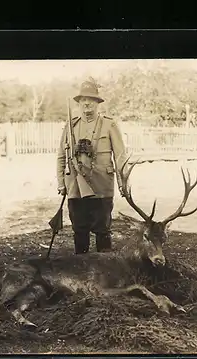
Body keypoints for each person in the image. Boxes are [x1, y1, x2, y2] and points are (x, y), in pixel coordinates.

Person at [56, 79, 128, 254]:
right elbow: (60, 156)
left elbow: (120, 157)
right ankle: (82, 272)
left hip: (101, 186)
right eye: (82, 100)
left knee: (102, 231)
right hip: (75, 187)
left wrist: (123, 183)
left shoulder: (109, 124)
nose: (86, 103)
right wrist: (61, 183)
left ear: (97, 102)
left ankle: (105, 273)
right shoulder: (70, 126)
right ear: (79, 103)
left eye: (90, 99)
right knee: (79, 231)